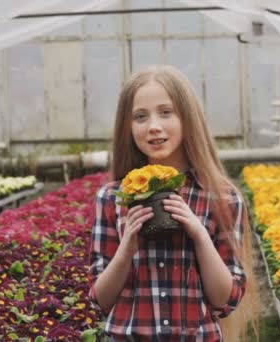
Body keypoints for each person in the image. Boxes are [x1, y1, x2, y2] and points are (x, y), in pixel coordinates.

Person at [88, 64, 258, 341]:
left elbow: (225, 301)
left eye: (166, 113)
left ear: (188, 117)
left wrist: (199, 235)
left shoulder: (222, 197)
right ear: (127, 127)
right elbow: (99, 300)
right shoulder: (112, 198)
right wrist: (127, 245)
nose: (154, 126)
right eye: (140, 117)